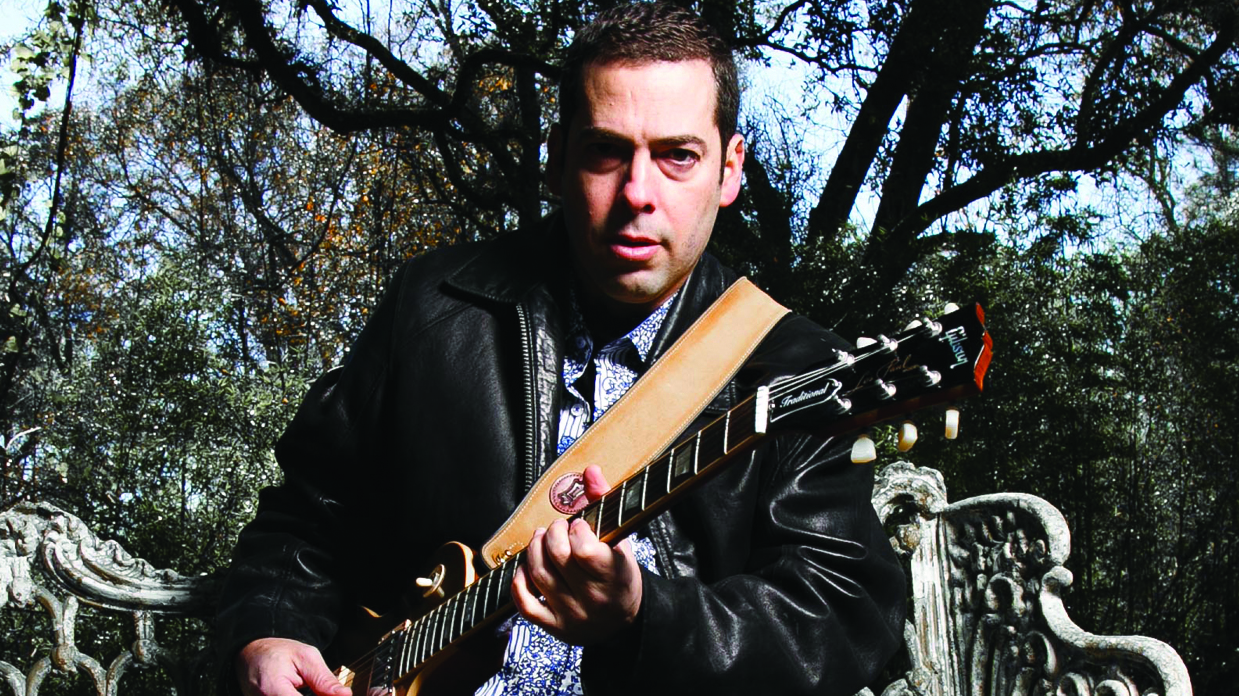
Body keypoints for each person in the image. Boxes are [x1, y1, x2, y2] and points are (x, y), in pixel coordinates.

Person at [214, 3, 906, 695]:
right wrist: (270, 628)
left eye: (677, 156)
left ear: (728, 171)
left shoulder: (799, 367)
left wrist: (646, 616)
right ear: (556, 161)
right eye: (606, 150)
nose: (638, 193)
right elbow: (307, 518)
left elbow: (840, 620)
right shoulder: (435, 305)